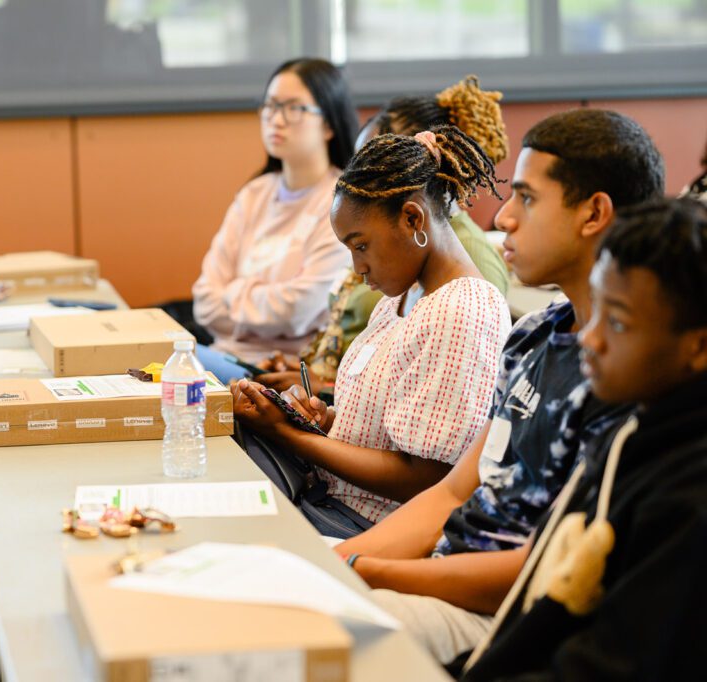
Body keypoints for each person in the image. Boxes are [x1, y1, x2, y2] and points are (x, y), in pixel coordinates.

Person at [331, 109, 664, 664]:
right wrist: (340, 560)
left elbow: (543, 566)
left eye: (527, 199)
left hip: (500, 614)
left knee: (307, 640)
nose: (504, 218)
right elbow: (455, 492)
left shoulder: (626, 375)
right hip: (441, 568)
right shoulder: (537, 334)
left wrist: (369, 572)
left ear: (593, 213)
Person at [461, 198, 707, 680]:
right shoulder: (632, 431)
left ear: (698, 346)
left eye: (616, 322)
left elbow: (608, 665)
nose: (589, 340)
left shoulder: (688, 500)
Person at [233, 124, 511, 539]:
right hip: (330, 500)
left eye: (360, 246)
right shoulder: (399, 300)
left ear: (412, 218)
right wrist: (324, 423)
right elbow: (384, 436)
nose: (357, 266)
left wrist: (287, 433)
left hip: (369, 528)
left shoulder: (462, 309)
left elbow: (424, 477)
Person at [257, 76, 510, 396]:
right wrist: (304, 374)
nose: (360, 174)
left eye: (374, 159)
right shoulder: (392, 251)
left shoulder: (466, 265)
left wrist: (323, 393)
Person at [192, 58, 358, 383]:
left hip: (284, 373)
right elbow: (204, 303)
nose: (276, 120)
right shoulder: (254, 194)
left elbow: (301, 308)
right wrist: (267, 302)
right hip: (220, 358)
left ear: (328, 124)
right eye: (270, 106)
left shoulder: (343, 202)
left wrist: (235, 293)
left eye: (294, 108)